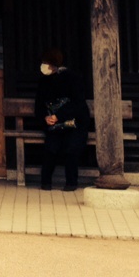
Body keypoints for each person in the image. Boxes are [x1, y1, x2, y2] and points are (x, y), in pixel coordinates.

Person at [34, 48, 90, 191]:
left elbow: (78, 103)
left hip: (75, 123)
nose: (43, 65)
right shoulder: (43, 82)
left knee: (72, 148)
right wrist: (45, 118)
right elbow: (39, 105)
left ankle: (71, 182)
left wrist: (59, 116)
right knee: (50, 148)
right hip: (53, 124)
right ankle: (45, 182)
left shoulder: (73, 78)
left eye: (45, 62)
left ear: (53, 64)